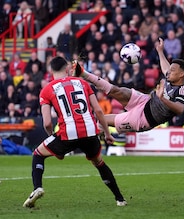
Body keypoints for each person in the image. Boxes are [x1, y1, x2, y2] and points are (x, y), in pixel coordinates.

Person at [23, 56, 127, 208]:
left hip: (68, 132)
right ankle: (120, 199)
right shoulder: (83, 83)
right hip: (90, 131)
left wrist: (52, 136)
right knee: (99, 163)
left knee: (38, 154)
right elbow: (98, 110)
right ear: (67, 69)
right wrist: (107, 133)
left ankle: (37, 187)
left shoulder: (46, 90)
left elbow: (46, 122)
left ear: (51, 70)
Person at [72, 38, 184, 133]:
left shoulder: (182, 88)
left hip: (144, 119)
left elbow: (180, 109)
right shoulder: (170, 77)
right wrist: (160, 51)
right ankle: (83, 73)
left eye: (173, 70)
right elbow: (165, 67)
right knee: (117, 90)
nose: (168, 72)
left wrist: (162, 98)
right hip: (145, 101)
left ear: (181, 74)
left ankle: (87, 133)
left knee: (103, 119)